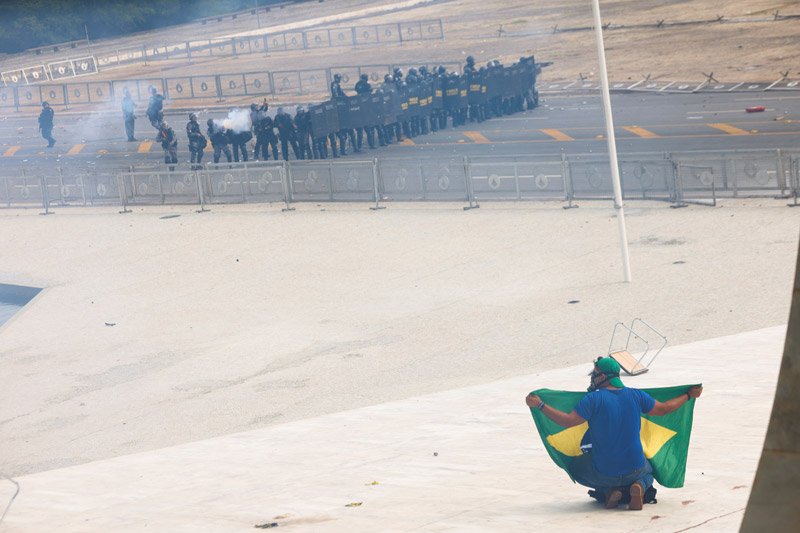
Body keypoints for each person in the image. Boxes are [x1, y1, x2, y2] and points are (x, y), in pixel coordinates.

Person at [525, 357, 703, 510]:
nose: (593, 377)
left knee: (575, 468)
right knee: (649, 470)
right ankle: (640, 486)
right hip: (634, 469)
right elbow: (664, 409)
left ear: (603, 377)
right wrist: (689, 395)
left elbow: (567, 421)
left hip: (604, 472)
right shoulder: (636, 395)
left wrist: (540, 405)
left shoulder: (592, 399)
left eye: (595, 373)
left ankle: (609, 491)